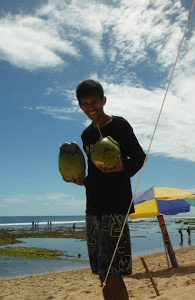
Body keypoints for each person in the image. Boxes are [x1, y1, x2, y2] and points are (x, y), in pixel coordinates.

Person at [63, 79, 146, 299]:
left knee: (113, 272)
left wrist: (122, 168)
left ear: (104, 100)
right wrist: (80, 180)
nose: (90, 107)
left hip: (116, 206)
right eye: (84, 103)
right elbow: (93, 172)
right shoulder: (86, 135)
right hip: (93, 207)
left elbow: (139, 157)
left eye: (94, 102)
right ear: (80, 105)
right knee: (101, 272)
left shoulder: (119, 125)